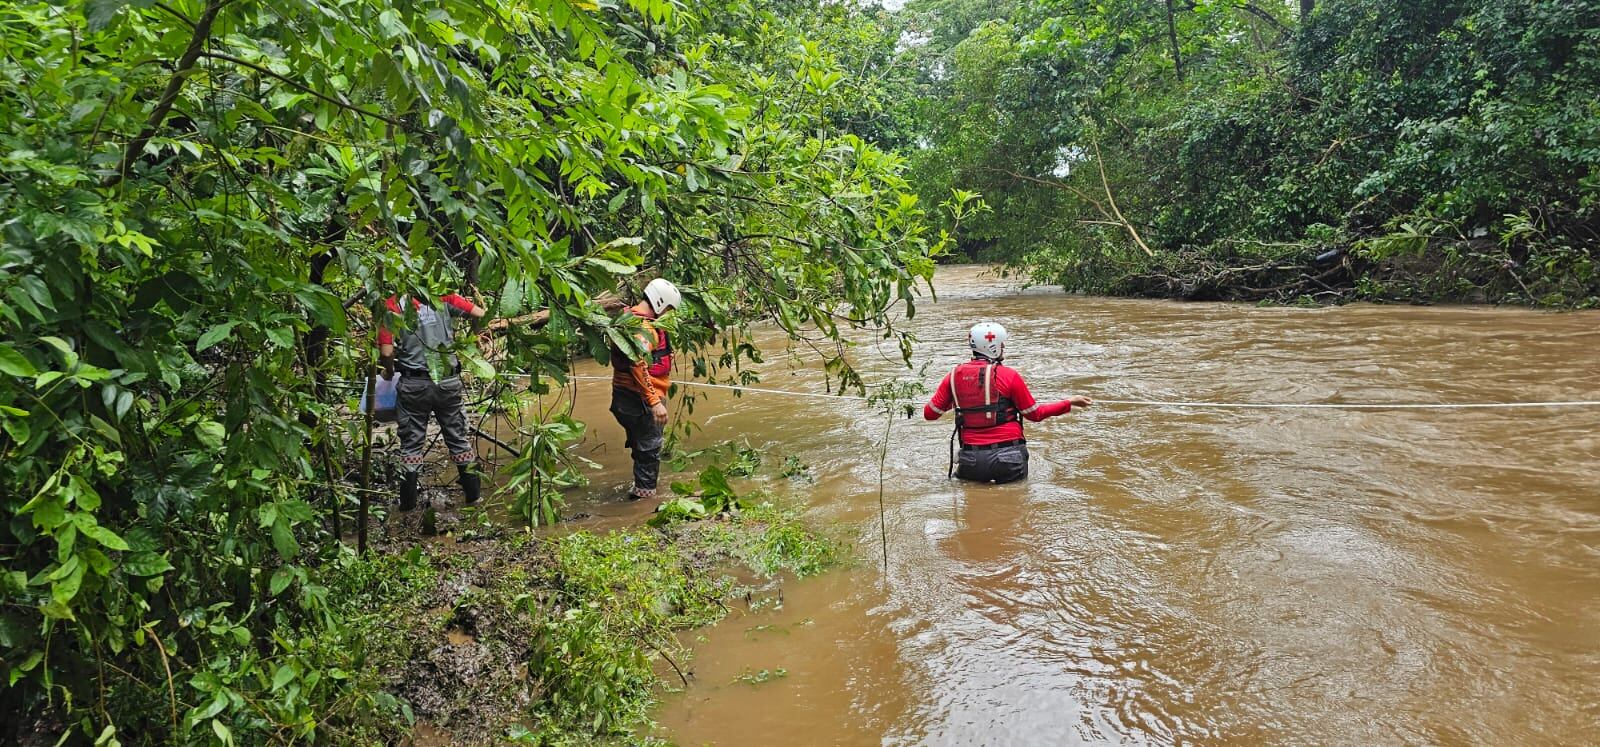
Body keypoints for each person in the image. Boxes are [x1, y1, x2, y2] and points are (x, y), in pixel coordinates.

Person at [923, 322, 1091, 483]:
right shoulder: (1009, 375)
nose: (1003, 347)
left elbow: (930, 414)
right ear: (992, 346)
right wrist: (1069, 403)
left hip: (972, 459)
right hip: (1010, 456)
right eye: (1001, 344)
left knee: (973, 509)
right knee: (1015, 507)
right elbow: (1035, 414)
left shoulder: (953, 376)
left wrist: (961, 400)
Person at [378, 291, 491, 509]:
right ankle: (475, 500)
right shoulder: (444, 296)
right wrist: (477, 338)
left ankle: (408, 508)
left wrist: (389, 372)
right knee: (458, 439)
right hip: (448, 383)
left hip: (414, 384)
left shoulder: (391, 305)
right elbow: (480, 314)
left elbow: (386, 351)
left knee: (411, 446)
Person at [609, 278, 681, 500]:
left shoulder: (628, 318)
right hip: (639, 400)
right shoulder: (643, 327)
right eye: (668, 309)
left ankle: (639, 492)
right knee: (650, 450)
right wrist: (655, 403)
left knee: (643, 449)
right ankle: (643, 503)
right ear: (660, 303)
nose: (668, 314)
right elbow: (637, 364)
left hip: (623, 397)